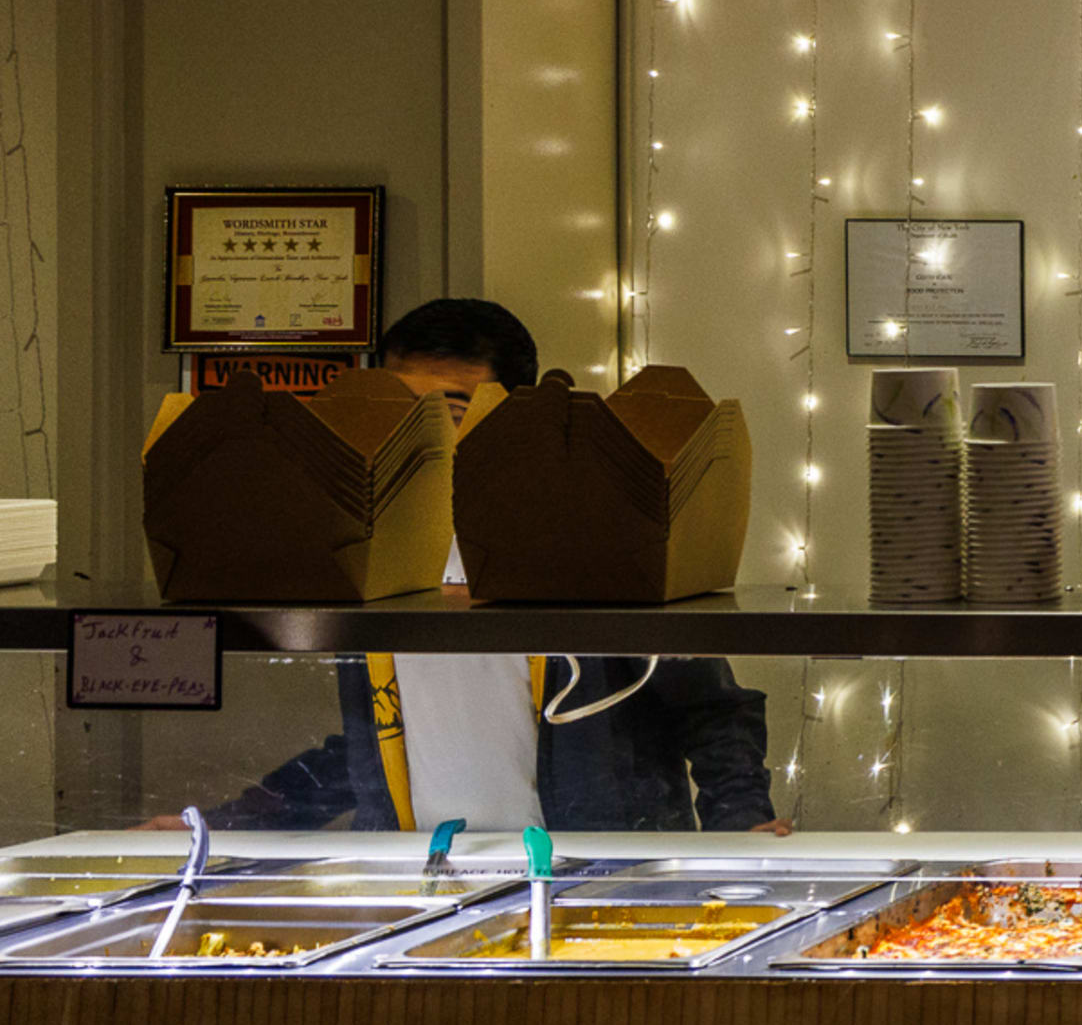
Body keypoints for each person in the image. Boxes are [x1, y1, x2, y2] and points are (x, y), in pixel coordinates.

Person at [201, 298, 781, 836]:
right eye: (402, 409)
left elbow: (710, 709)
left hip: (593, 875)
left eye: (450, 412)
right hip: (421, 884)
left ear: (515, 415)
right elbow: (367, 749)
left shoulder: (594, 540)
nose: (420, 434)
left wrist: (743, 829)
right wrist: (230, 823)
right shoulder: (367, 555)